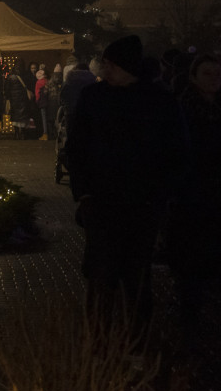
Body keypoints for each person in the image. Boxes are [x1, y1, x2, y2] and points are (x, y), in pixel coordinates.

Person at [65, 35, 190, 341]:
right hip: (101, 202)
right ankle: (98, 340)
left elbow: (176, 151)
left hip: (142, 204)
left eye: (110, 64)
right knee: (100, 275)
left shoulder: (158, 101)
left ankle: (136, 340)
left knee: (136, 277)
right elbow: (77, 147)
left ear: (126, 66)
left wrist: (160, 195)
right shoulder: (94, 97)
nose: (104, 69)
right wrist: (84, 193)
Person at [166, 53, 221, 353]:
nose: (214, 79)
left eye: (217, 73)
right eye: (207, 73)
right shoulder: (183, 109)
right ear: (193, 77)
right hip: (192, 196)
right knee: (192, 260)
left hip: (214, 194)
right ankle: (189, 323)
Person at [4, 65, 31, 138]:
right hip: (23, 99)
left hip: (14, 99)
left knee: (15, 116)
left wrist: (7, 97)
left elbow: (7, 89)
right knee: (22, 116)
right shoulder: (24, 77)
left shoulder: (10, 78)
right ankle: (23, 133)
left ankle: (16, 133)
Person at [34, 69, 50, 140]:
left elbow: (37, 94)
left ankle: (45, 134)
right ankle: (50, 133)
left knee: (43, 118)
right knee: (48, 118)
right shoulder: (47, 81)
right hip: (48, 101)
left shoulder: (38, 82)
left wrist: (37, 101)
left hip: (42, 102)